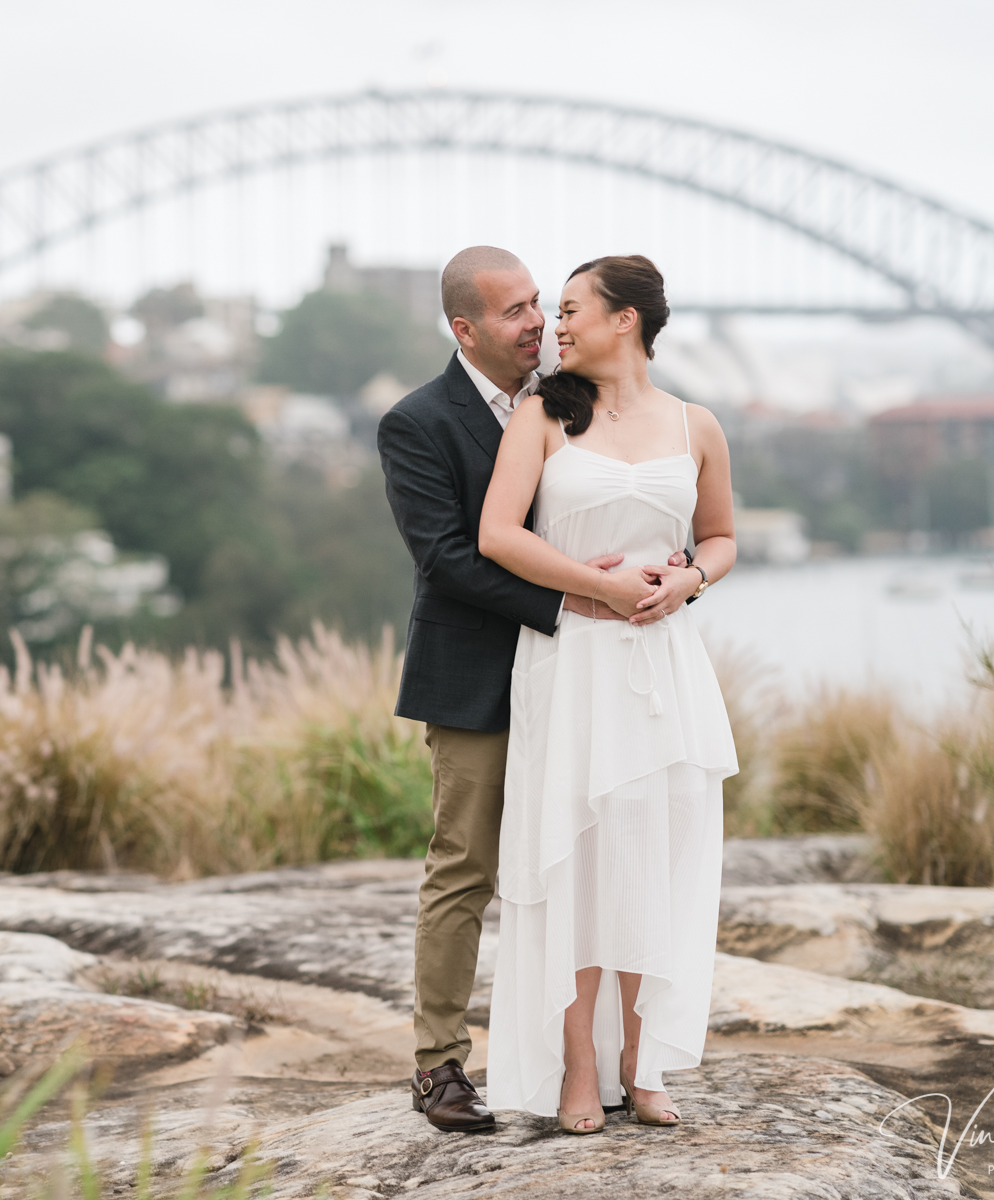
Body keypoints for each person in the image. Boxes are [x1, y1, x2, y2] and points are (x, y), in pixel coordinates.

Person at [377, 246, 646, 1133]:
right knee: (466, 870)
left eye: (541, 303)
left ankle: (582, 1064)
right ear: (465, 329)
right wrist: (571, 595)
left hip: (580, 677)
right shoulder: (416, 422)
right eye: (515, 311)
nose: (539, 322)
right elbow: (447, 557)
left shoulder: (570, 401)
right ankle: (438, 1066)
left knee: (584, 866)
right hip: (480, 677)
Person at [477, 254, 738, 1134]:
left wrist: (690, 579)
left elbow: (723, 535)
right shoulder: (541, 415)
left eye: (571, 311)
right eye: (554, 314)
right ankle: (579, 1071)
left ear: (626, 320)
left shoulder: (696, 424)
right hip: (575, 662)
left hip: (664, 668)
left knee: (650, 868)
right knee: (574, 865)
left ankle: (644, 1062)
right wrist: (595, 591)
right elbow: (497, 535)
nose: (555, 327)